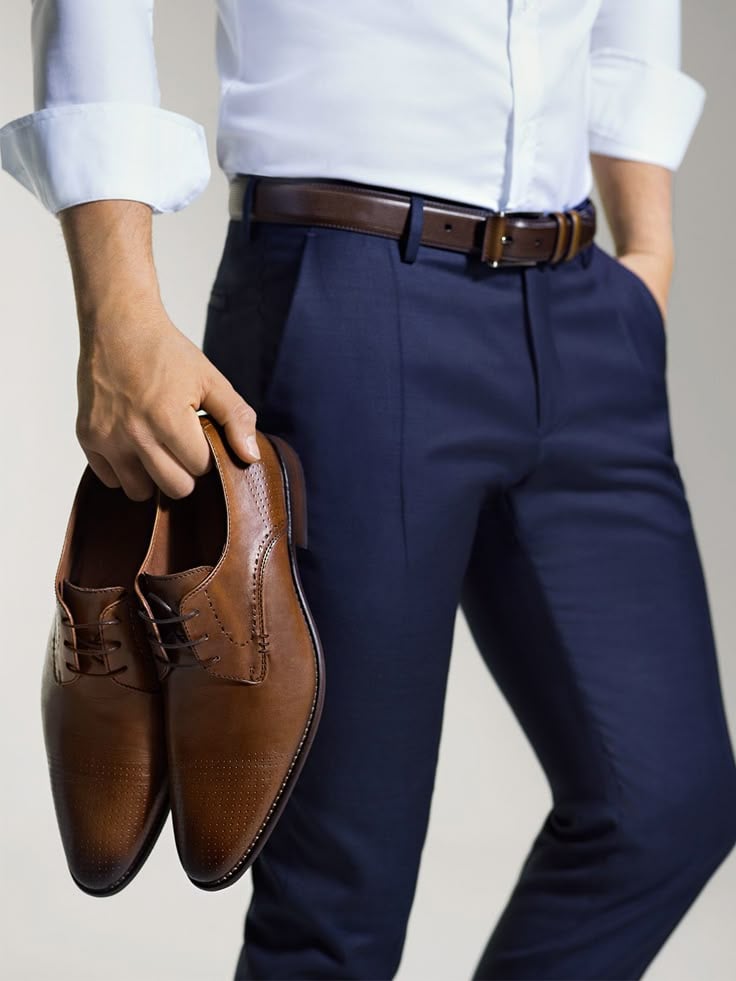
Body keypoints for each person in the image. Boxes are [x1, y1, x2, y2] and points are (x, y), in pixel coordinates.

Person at [2, 2, 736, 979]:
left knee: (667, 806)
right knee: (337, 899)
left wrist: (648, 252)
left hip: (582, 302)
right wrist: (118, 313)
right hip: (349, 292)